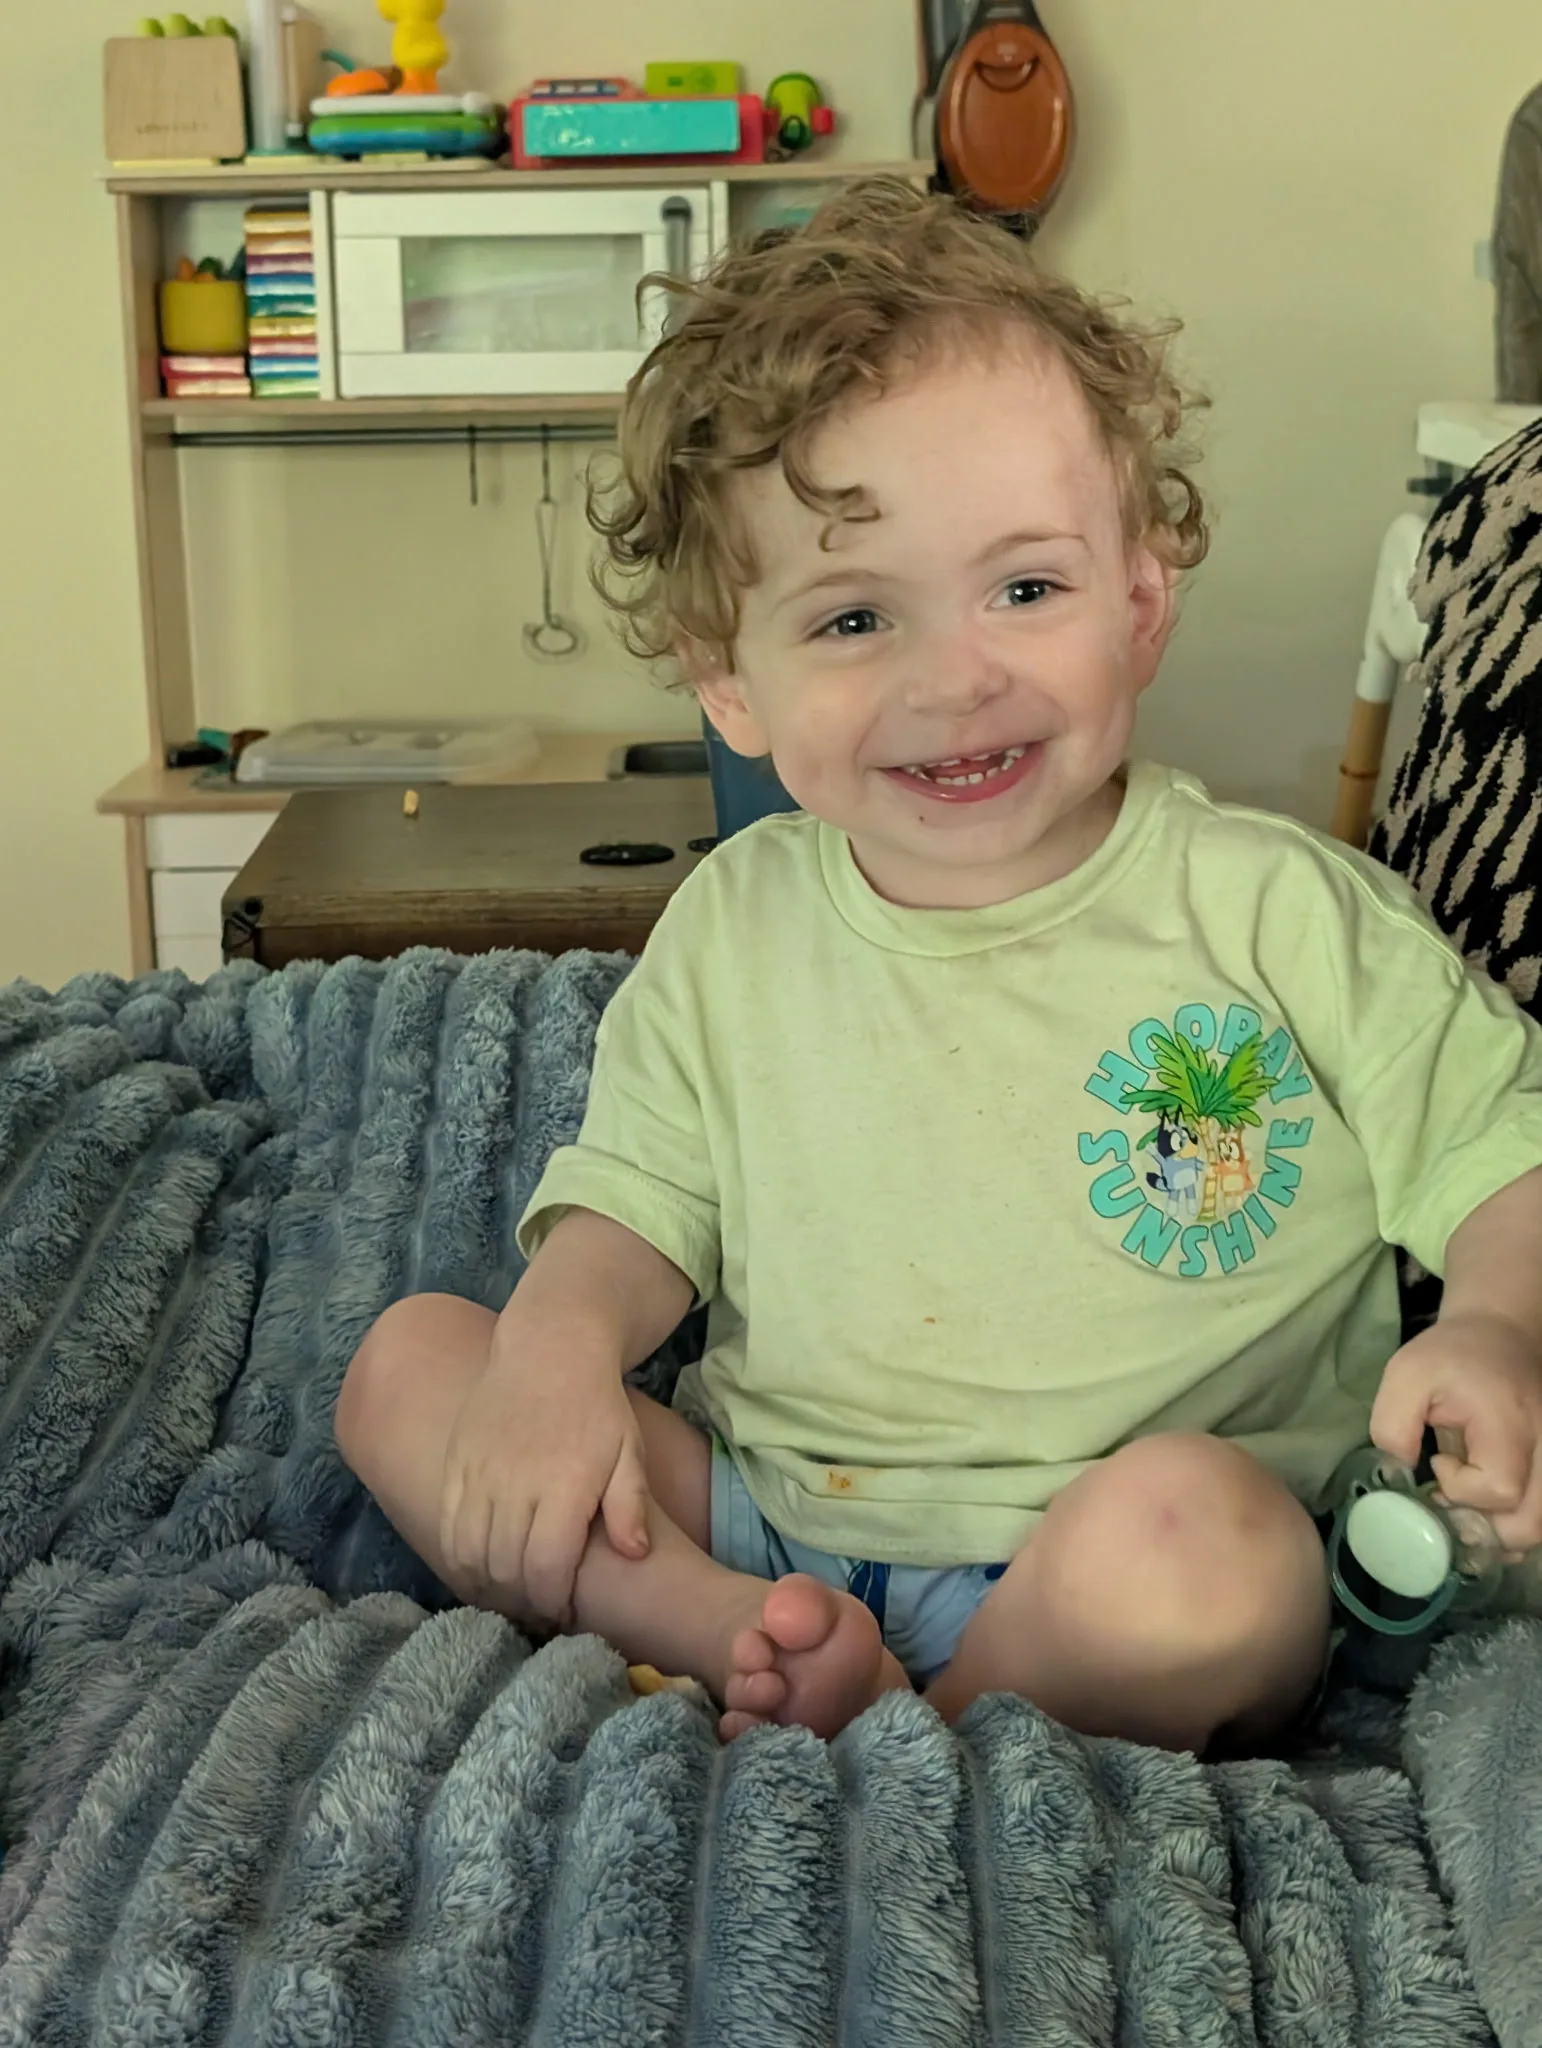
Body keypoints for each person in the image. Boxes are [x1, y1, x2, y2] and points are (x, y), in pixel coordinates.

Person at [336, 180, 1542, 1755]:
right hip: (766, 1510)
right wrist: (557, 1355)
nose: (954, 679)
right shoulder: (734, 922)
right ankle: (737, 1635)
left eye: (1025, 589)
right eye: (850, 618)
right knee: (412, 1363)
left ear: (1139, 601)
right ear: (729, 684)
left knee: (1209, 1551)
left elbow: (1497, 1150)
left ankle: (906, 1725)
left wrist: (1500, 1326)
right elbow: (637, 1197)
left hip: (1125, 1556)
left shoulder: (1280, 913)